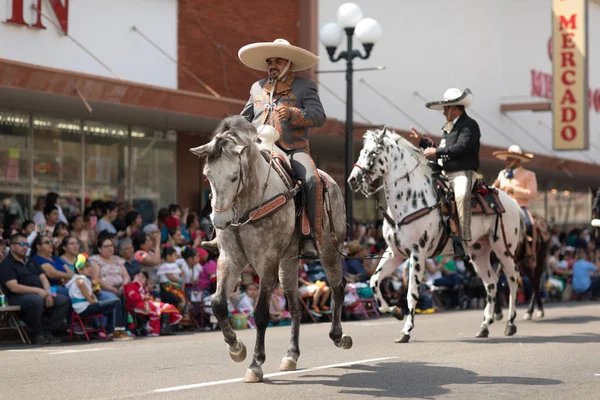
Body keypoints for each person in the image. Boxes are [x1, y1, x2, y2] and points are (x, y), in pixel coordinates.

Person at [202, 38, 326, 259]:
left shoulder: (305, 86)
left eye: (278, 60)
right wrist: (227, 134)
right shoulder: (257, 87)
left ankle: (309, 237)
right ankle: (218, 232)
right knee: (228, 172)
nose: (273, 65)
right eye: (270, 61)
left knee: (312, 180)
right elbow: (245, 118)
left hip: (292, 149)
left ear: (289, 63)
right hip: (259, 149)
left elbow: (319, 116)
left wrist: (293, 114)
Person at [411, 88, 480, 257]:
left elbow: (461, 147)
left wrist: (437, 152)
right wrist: (422, 142)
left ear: (453, 108)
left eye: (445, 108)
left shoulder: (469, 125)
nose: (443, 112)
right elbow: (443, 149)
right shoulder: (448, 127)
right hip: (443, 172)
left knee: (461, 195)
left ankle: (464, 239)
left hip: (462, 173)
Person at [0, 233, 70, 344]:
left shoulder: (30, 260)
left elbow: (43, 279)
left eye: (27, 244)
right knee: (36, 300)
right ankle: (37, 334)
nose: (25, 247)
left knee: (63, 299)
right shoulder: (6, 264)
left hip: (41, 293)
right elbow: (14, 287)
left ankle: (47, 331)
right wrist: (39, 291)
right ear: (12, 246)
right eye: (21, 244)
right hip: (18, 296)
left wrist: (49, 293)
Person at [493, 145, 537, 258]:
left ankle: (530, 252)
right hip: (502, 206)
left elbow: (532, 193)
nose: (507, 161)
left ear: (518, 160)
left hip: (520, 206)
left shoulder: (529, 174)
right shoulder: (501, 174)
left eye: (510, 158)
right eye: (507, 158)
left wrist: (514, 190)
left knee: (529, 224)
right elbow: (495, 187)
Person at [65, 253, 123, 340]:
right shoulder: (81, 281)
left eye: (89, 266)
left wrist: (94, 292)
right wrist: (97, 301)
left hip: (85, 306)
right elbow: (91, 301)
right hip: (84, 308)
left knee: (112, 310)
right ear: (80, 270)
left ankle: (111, 332)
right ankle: (118, 331)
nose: (90, 269)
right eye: (87, 267)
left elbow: (89, 295)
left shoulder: (82, 280)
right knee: (116, 302)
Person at [123, 270, 182, 336]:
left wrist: (148, 298)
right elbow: (133, 297)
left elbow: (148, 297)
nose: (141, 278)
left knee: (167, 307)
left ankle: (164, 329)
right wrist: (145, 297)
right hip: (136, 305)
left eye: (143, 277)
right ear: (135, 276)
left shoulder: (144, 288)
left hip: (146, 303)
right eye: (140, 276)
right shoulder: (131, 286)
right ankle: (153, 330)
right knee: (155, 308)